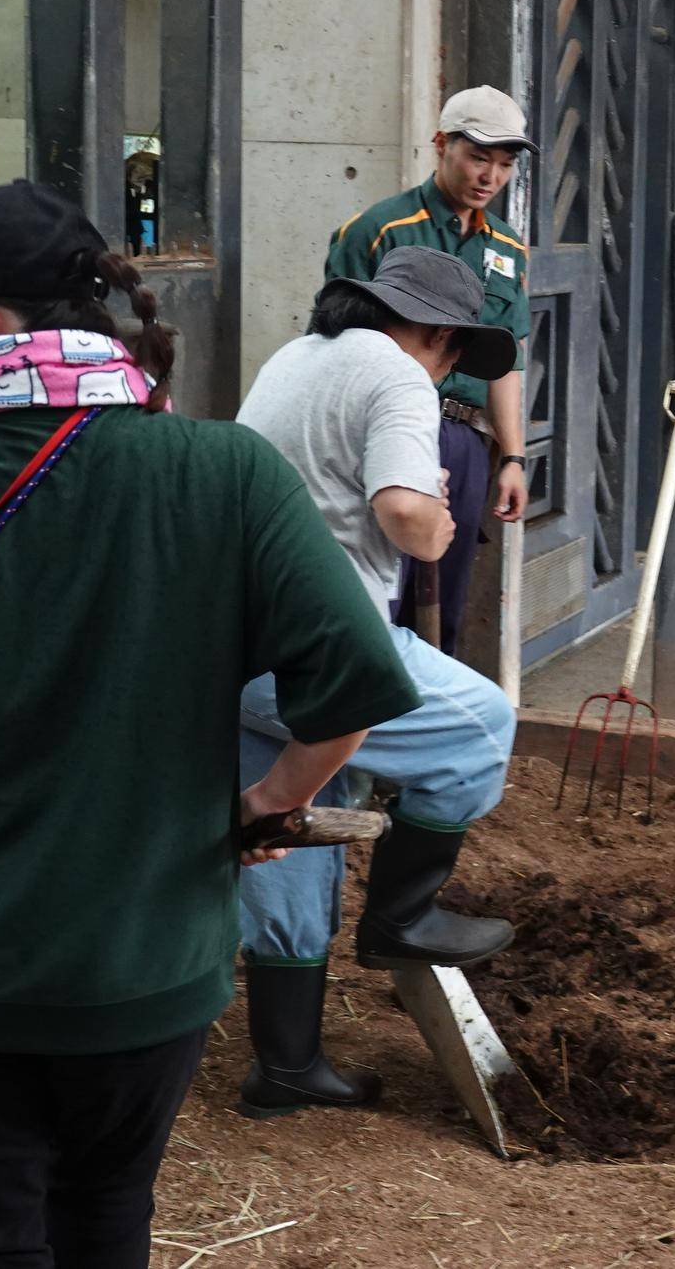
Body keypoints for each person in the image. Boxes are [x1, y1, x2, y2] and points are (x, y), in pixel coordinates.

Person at [0, 181, 418, 1266]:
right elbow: (358, 686)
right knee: (108, 1217)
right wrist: (267, 802)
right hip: (146, 958)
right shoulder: (225, 472)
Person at [232, 247, 523, 1118]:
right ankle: (402, 917)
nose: (450, 372)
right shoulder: (399, 374)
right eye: (454, 356)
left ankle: (285, 1068)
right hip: (316, 640)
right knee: (480, 727)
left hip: (231, 644)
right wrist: (434, 520)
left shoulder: (296, 356)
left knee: (285, 825)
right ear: (435, 333)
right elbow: (403, 512)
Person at [325, 85, 537, 657]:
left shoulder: (510, 249)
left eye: (504, 165)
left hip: (462, 438)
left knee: (445, 599)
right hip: (384, 427)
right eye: (476, 157)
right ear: (441, 145)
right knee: (375, 588)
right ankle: (361, 726)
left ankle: (424, 726)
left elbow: (507, 357)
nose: (489, 176)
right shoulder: (377, 230)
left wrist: (513, 457)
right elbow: (335, 339)